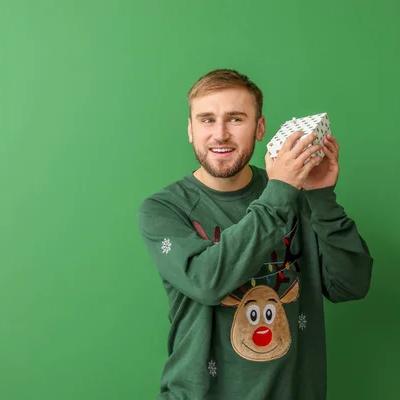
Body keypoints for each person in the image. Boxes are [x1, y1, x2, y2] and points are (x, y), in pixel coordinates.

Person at [137, 68, 373, 400]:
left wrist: (322, 198)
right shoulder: (163, 210)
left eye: (235, 119)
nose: (220, 135)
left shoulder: (295, 193)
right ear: (190, 130)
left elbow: (350, 285)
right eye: (206, 120)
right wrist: (281, 192)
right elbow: (208, 282)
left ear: (260, 128)